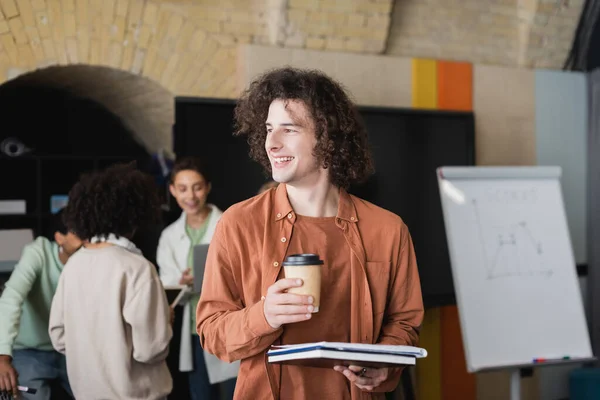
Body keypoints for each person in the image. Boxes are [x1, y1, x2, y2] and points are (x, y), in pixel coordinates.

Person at [196, 67, 424, 399]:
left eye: (288, 130)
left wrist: (385, 364)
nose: (271, 143)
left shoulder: (388, 229)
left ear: (328, 137)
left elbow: (404, 324)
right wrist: (264, 315)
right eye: (268, 129)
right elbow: (212, 331)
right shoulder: (238, 223)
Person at [48, 163, 173, 400]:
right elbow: (150, 349)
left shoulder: (73, 265)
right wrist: (165, 322)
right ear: (135, 215)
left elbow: (58, 337)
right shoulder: (137, 268)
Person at [157, 157, 238, 400]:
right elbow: (166, 285)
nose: (190, 196)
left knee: (236, 392)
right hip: (195, 330)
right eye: (182, 189)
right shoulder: (169, 236)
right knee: (201, 394)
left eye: (197, 187)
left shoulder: (229, 224)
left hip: (228, 325)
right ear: (172, 190)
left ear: (208, 187)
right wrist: (182, 281)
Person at [0, 210, 82, 400]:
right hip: (29, 350)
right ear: (59, 238)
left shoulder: (92, 258)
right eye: (79, 232)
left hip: (72, 351)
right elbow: (11, 299)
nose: (87, 239)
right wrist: (3, 357)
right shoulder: (39, 252)